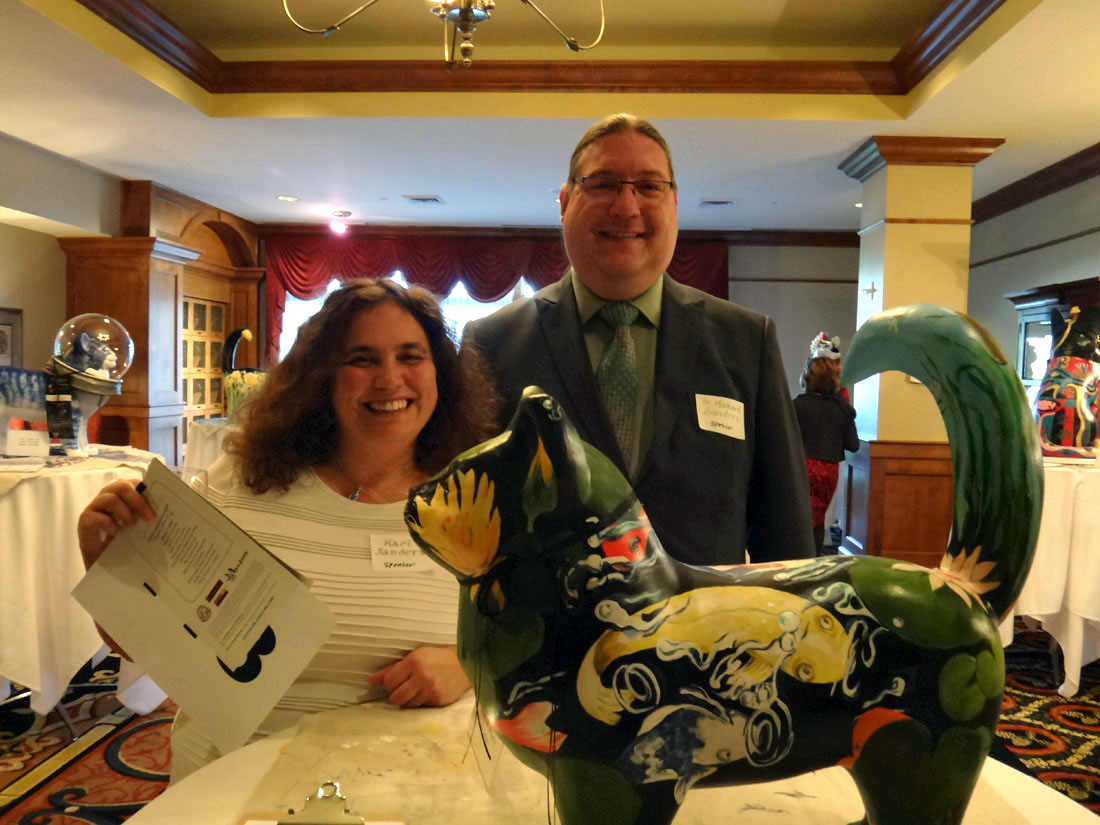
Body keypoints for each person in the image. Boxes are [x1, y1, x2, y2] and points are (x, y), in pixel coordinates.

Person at [77, 278, 499, 781]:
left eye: (410, 356)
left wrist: (469, 665)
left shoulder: (476, 502)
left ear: (440, 373)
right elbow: (146, 646)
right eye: (361, 359)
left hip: (401, 783)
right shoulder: (241, 482)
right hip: (228, 781)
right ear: (322, 376)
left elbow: (534, 644)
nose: (390, 379)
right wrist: (105, 556)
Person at [463, 113, 815, 565]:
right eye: (603, 184)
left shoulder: (747, 343)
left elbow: (786, 544)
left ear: (674, 204)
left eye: (648, 186)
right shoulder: (492, 345)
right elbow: (467, 523)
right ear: (565, 203)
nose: (626, 207)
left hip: (702, 613)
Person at [793, 355, 859, 555]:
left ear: (807, 379)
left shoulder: (796, 405)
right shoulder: (843, 409)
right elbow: (853, 445)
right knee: (818, 518)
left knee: (797, 516)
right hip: (828, 471)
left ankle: (794, 558)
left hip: (801, 467)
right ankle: (813, 559)